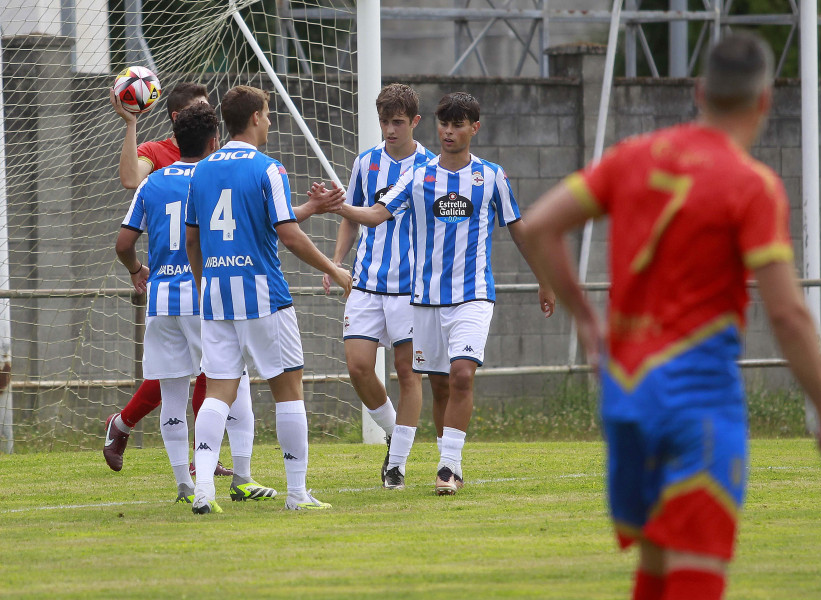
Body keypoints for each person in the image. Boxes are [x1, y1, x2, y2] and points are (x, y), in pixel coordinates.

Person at [522, 33, 821, 600]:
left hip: (626, 399)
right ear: (764, 102)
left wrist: (586, 319)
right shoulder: (751, 186)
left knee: (655, 572)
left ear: (700, 92)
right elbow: (789, 315)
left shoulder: (633, 155)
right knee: (696, 577)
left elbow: (538, 226)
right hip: (696, 401)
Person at [337, 92, 555, 496]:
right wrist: (337, 208)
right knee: (438, 384)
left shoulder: (491, 176)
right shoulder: (418, 176)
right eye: (445, 125)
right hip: (425, 299)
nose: (449, 132)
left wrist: (544, 279)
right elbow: (377, 213)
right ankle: (423, 459)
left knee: (461, 375)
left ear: (475, 127)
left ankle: (448, 468)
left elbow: (520, 232)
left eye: (458, 125)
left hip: (473, 295)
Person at [185, 85, 352, 514]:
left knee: (217, 392)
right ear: (256, 118)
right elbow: (287, 233)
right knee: (288, 389)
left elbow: (192, 238)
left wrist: (206, 284)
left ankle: (203, 488)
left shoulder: (200, 171)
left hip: (218, 296)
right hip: (264, 295)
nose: (271, 121)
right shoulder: (268, 169)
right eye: (269, 114)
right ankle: (297, 493)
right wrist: (333, 269)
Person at [115, 102, 277, 503]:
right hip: (204, 297)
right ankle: (242, 477)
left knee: (172, 394)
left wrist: (137, 269)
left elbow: (123, 244)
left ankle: (184, 485)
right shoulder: (209, 178)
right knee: (233, 384)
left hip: (162, 301)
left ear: (174, 140)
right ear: (213, 141)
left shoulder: (151, 183)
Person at [104, 82, 227, 475]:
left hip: (186, 288)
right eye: (202, 108)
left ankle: (133, 430)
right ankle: (208, 463)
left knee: (187, 374)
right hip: (184, 282)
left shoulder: (216, 157)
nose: (210, 114)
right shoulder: (156, 155)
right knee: (212, 371)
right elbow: (128, 179)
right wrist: (130, 124)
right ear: (179, 118)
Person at [320, 83, 435, 490]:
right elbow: (352, 218)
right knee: (358, 366)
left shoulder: (431, 168)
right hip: (367, 283)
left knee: (408, 373)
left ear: (414, 122)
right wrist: (336, 262)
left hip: (410, 288)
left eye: (398, 122)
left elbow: (373, 214)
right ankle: (394, 433)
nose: (389, 129)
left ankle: (397, 465)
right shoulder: (366, 162)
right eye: (384, 121)